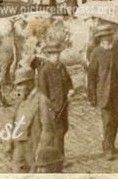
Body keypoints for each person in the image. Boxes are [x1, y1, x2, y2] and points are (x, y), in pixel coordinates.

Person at [86, 24, 118, 160]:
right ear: (99, 38)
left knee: (116, 119)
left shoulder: (117, 50)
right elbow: (91, 75)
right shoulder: (96, 53)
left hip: (117, 92)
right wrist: (91, 95)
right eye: (103, 37)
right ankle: (107, 149)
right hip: (103, 93)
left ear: (111, 36)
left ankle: (112, 145)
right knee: (107, 121)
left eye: (108, 36)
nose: (106, 39)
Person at [35, 43, 72, 171]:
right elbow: (43, 93)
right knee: (58, 133)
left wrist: (71, 90)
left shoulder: (62, 67)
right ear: (48, 56)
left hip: (64, 105)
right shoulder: (44, 70)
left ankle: (56, 157)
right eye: (53, 55)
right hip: (52, 108)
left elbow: (69, 82)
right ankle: (58, 159)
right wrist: (48, 109)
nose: (56, 57)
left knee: (63, 130)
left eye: (57, 54)